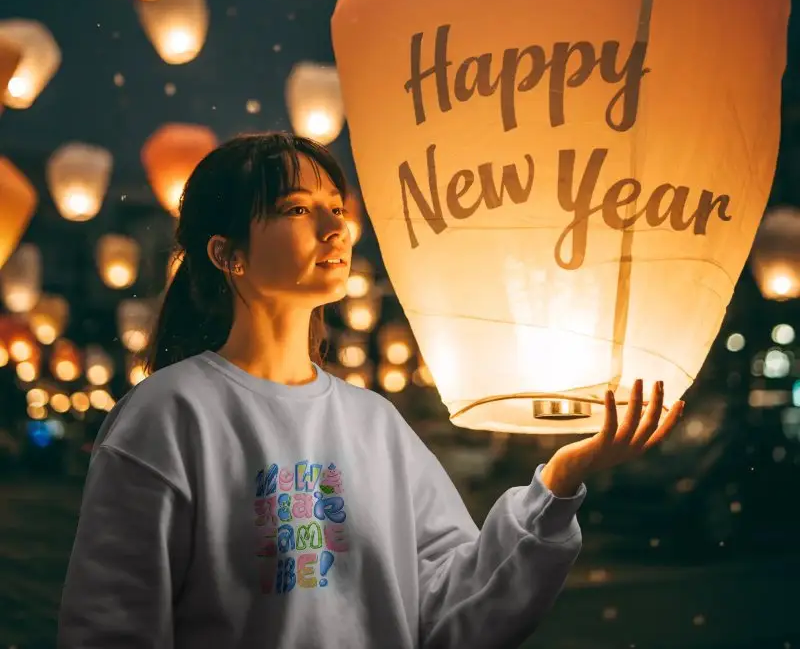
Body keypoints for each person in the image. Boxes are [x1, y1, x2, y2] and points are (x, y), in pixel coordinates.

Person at [57, 131, 684, 649]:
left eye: (338, 206)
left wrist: (559, 483)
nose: (335, 228)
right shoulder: (168, 416)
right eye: (297, 209)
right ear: (227, 254)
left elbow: (453, 610)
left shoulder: (375, 423)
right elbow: (111, 627)